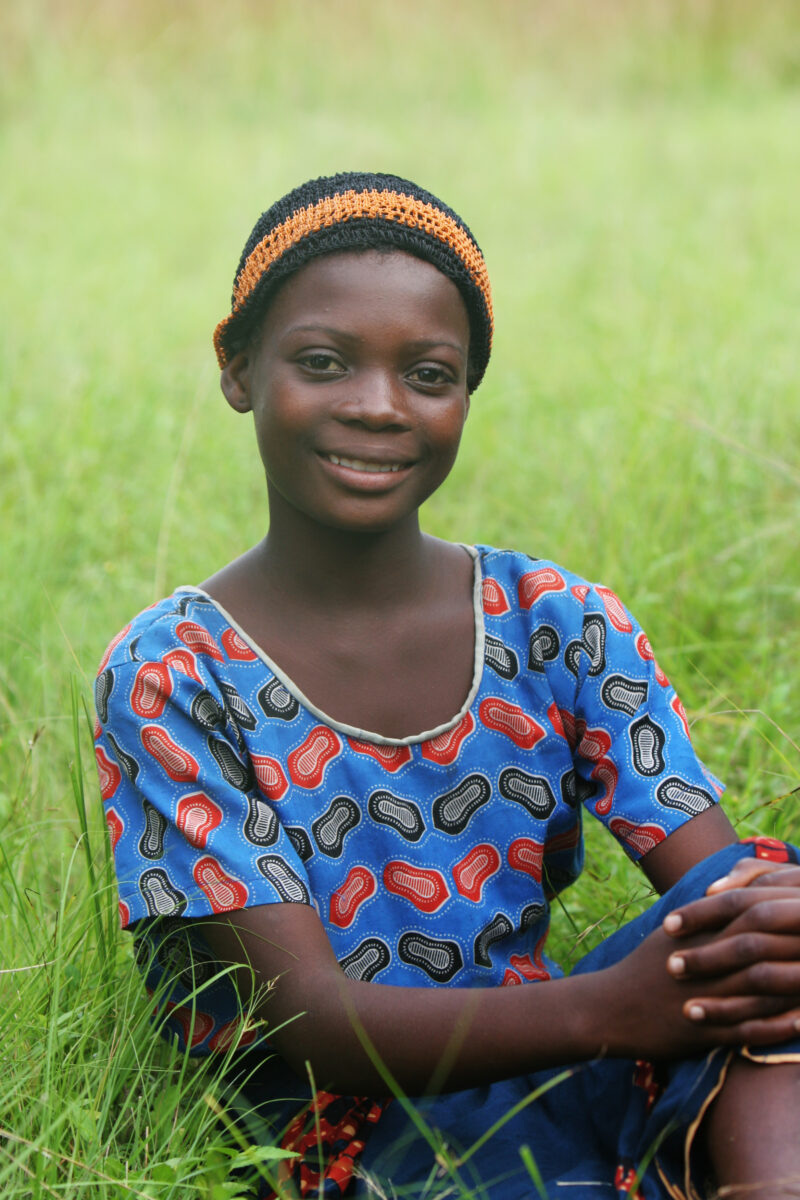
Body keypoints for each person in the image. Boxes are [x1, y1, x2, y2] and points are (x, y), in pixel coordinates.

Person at [94, 172, 800, 1200]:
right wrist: (613, 1011)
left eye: (428, 373)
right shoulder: (175, 673)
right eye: (324, 362)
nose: (377, 406)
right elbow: (303, 1021)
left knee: (764, 910)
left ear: (467, 388)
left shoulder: (556, 621)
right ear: (238, 367)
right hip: (339, 1132)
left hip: (545, 1061)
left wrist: (747, 939)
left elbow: (716, 887)